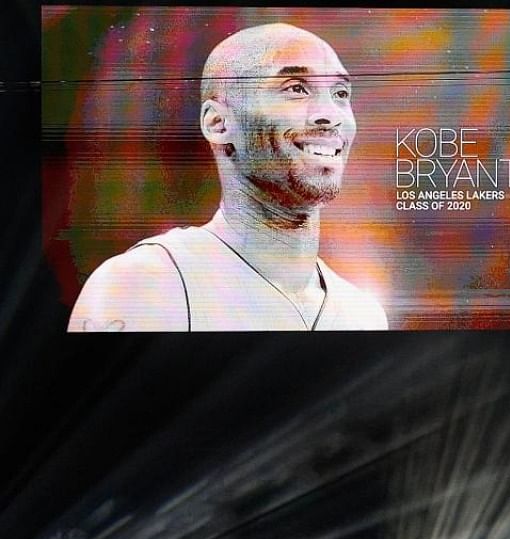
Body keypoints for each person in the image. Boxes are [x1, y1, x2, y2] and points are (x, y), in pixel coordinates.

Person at [68, 23, 388, 331]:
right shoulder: (144, 286)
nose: (331, 114)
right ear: (218, 123)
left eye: (341, 93)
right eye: (296, 89)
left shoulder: (363, 313)